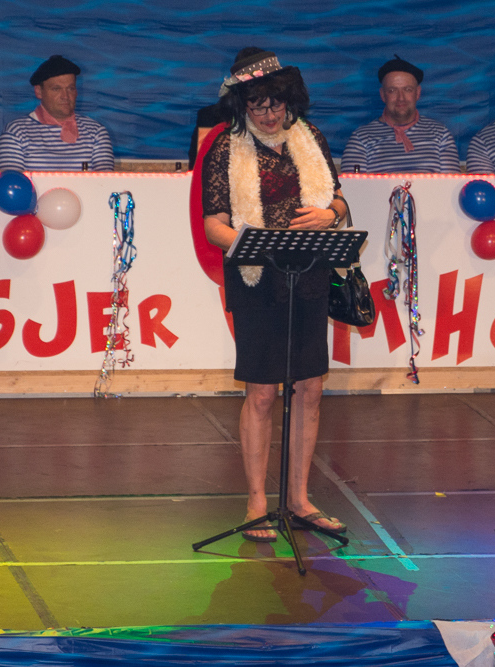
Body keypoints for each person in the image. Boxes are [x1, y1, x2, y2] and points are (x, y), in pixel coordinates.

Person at [201, 47, 349, 542]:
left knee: (309, 388)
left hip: (308, 276)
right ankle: (257, 501)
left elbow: (338, 199)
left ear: (290, 101)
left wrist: (330, 215)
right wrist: (258, 245)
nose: (268, 115)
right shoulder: (226, 148)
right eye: (257, 106)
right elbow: (214, 226)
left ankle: (300, 499)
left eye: (276, 105)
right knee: (263, 392)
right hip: (257, 280)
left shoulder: (311, 138)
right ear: (242, 106)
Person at [341, 55, 459, 173]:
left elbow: (451, 183)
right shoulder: (361, 139)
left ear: (418, 93)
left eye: (407, 90)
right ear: (383, 95)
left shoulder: (441, 135)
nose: (401, 98)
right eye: (392, 91)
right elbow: (352, 184)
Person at [0, 55, 114, 172]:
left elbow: (104, 182)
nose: (65, 96)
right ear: (39, 91)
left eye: (70, 88)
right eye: (56, 89)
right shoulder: (16, 132)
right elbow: (10, 182)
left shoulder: (96, 132)